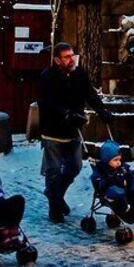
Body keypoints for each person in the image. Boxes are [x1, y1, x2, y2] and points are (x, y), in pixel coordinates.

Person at [38, 42, 113, 223]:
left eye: (72, 55)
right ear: (57, 60)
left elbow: (89, 93)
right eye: (67, 57)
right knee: (54, 170)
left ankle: (56, 195)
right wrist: (65, 114)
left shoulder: (79, 73)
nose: (71, 59)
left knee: (74, 167)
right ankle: (54, 206)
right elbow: (46, 103)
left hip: (73, 130)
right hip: (53, 131)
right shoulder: (48, 77)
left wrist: (101, 110)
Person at [91, 140, 134, 223]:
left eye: (119, 159)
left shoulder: (122, 167)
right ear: (107, 161)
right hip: (112, 192)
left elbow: (129, 174)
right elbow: (100, 182)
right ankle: (125, 215)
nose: (119, 162)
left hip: (126, 189)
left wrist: (131, 179)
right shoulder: (103, 170)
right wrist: (115, 180)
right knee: (118, 193)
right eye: (115, 160)